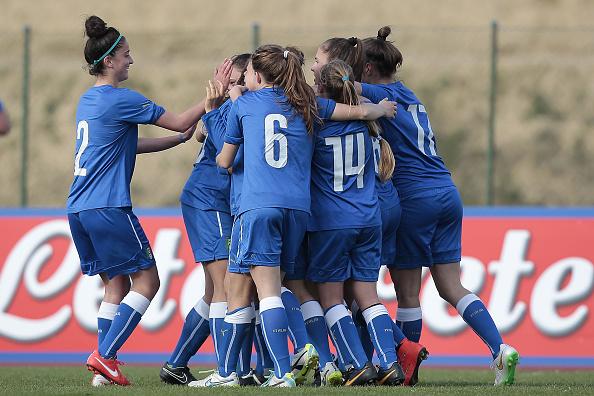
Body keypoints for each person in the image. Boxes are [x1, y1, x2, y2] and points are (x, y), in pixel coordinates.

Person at [357, 26, 519, 386]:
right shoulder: (411, 94)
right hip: (447, 192)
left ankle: (406, 373)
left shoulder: (374, 91)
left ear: (367, 68)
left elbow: (340, 87)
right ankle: (499, 349)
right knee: (450, 286)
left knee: (408, 294)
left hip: (415, 199)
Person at [67, 15, 216, 386]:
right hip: (108, 207)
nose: (131, 60)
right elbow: (182, 118)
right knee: (148, 282)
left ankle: (104, 372)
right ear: (110, 61)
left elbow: (128, 146)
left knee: (114, 287)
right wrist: (211, 98)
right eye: (127, 55)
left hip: (79, 209)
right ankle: (103, 357)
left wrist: (180, 140)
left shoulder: (89, 101)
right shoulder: (123, 99)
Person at [159, 54, 249, 387]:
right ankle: (228, 371)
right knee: (227, 282)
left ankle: (176, 364)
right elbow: (217, 145)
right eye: (242, 78)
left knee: (214, 290)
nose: (247, 82)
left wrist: (221, 100)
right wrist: (220, 101)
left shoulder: (232, 109)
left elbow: (200, 135)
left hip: (211, 201)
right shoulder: (232, 110)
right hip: (209, 200)